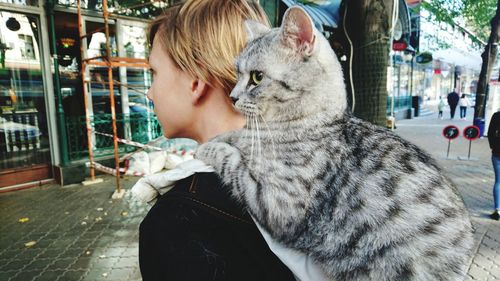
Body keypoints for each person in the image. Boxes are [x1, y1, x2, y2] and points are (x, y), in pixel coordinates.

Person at [137, 1, 296, 280]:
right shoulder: (309, 174)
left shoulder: (175, 225)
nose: (149, 93)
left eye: (154, 73)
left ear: (196, 81)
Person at [488, 111, 500, 221]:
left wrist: (493, 146)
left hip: (497, 153)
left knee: (498, 181)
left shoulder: (496, 115)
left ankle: (497, 209)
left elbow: (490, 133)